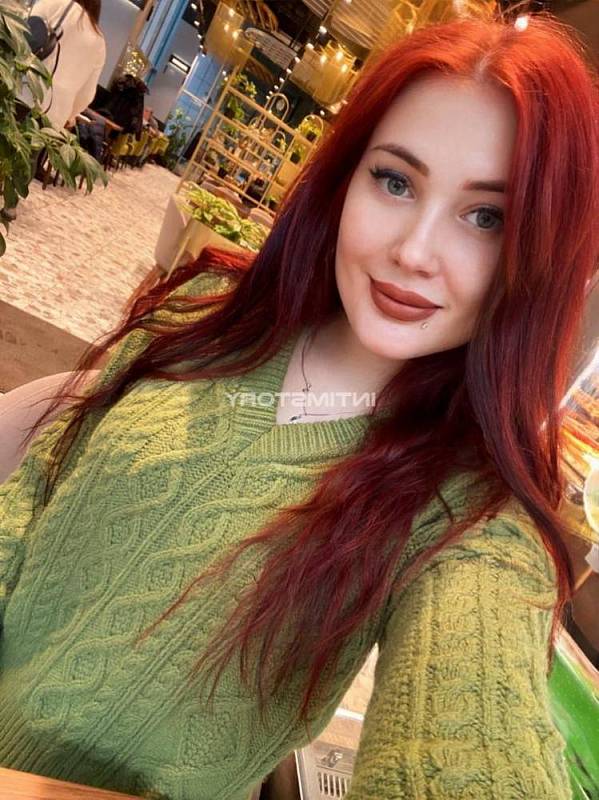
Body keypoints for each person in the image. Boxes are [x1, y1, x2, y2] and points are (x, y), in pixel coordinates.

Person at [0, 10, 597, 800]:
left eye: (487, 217)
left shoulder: (467, 514)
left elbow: (472, 743)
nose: (413, 251)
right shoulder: (207, 316)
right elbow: (35, 491)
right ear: (344, 177)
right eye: (395, 181)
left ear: (541, 251)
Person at [1, 0, 106, 221]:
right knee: (30, 155)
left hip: (27, 89)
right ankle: (11, 204)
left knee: (5, 137)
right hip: (56, 110)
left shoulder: (56, 3)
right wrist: (71, 113)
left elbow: (22, 30)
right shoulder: (99, 42)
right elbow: (88, 93)